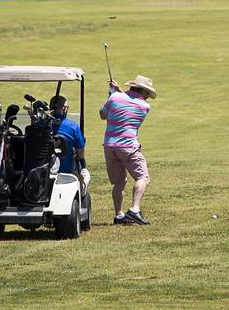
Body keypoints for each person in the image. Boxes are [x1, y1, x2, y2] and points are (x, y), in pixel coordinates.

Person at [100, 74, 157, 226]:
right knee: (143, 177)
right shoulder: (144, 107)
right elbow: (131, 101)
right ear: (143, 91)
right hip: (128, 146)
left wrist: (113, 94)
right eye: (147, 94)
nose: (148, 98)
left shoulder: (114, 99)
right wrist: (117, 92)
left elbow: (102, 115)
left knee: (119, 182)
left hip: (110, 146)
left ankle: (119, 216)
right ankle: (134, 209)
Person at [49, 94, 86, 176]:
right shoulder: (73, 127)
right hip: (67, 172)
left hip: (46, 170)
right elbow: (80, 152)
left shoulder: (43, 126)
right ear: (64, 108)